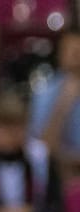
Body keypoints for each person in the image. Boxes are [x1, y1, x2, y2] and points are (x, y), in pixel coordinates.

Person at [30, 30, 80, 182]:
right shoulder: (44, 92)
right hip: (59, 171)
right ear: (60, 54)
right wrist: (64, 103)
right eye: (73, 52)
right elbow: (43, 148)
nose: (77, 58)